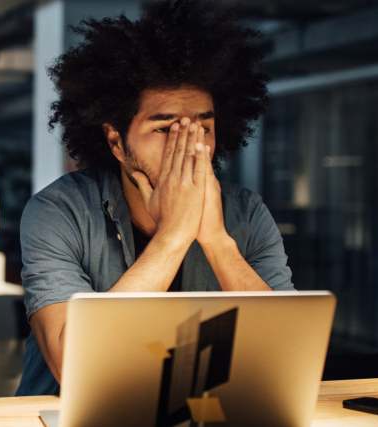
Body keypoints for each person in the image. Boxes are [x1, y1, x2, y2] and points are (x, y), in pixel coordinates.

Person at [15, 0, 294, 397]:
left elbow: (289, 351)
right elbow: (72, 364)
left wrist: (217, 243)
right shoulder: (58, 211)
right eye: (165, 131)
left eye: (204, 129)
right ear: (116, 140)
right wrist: (173, 236)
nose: (192, 147)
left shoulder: (246, 213)